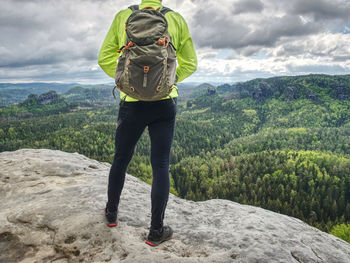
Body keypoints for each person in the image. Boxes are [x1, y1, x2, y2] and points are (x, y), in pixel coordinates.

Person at [98, 0, 197, 246]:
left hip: (131, 102)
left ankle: (111, 214)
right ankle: (155, 231)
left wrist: (125, 79)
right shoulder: (175, 19)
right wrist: (168, 81)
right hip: (164, 103)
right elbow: (191, 63)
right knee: (161, 164)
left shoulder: (124, 16)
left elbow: (104, 58)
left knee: (121, 158)